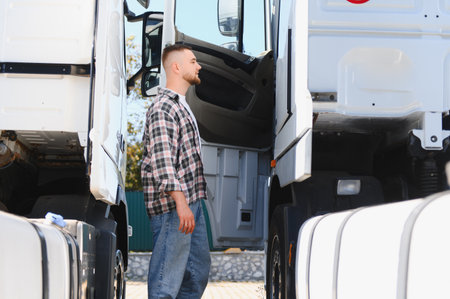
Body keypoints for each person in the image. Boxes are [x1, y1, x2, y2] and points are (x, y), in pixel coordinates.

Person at [141, 44, 211, 299]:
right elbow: (163, 161)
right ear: (177, 67)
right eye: (193, 61)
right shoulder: (163, 108)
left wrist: (190, 203)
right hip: (173, 207)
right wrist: (180, 203)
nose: (199, 66)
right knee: (165, 282)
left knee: (195, 274)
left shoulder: (181, 106)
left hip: (190, 203)